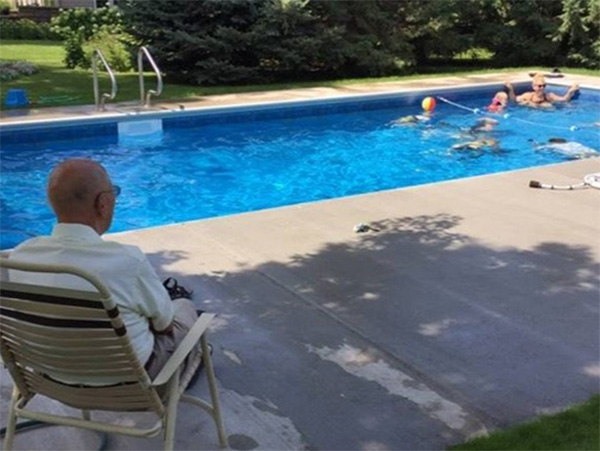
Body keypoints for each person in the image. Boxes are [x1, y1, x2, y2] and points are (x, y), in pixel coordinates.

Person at [8, 158, 200, 386]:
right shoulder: (126, 261)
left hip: (53, 379)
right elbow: (165, 326)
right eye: (114, 193)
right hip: (130, 382)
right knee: (183, 309)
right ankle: (195, 356)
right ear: (103, 203)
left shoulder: (21, 257)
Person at [505, 73, 579, 108]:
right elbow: (513, 99)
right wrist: (511, 89)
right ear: (533, 87)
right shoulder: (528, 96)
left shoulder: (549, 96)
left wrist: (570, 91)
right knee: (528, 103)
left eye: (544, 86)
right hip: (532, 113)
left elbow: (564, 99)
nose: (542, 88)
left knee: (547, 105)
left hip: (545, 112)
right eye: (539, 86)